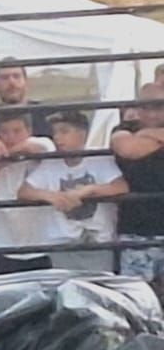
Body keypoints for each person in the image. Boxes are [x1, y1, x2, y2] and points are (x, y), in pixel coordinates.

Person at [18, 109, 127, 273]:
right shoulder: (50, 165)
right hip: (63, 243)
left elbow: (121, 187)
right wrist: (51, 196)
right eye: (55, 132)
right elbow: (24, 191)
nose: (58, 138)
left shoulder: (100, 160)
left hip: (98, 241)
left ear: (82, 134)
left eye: (64, 131)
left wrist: (89, 190)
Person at [111, 85, 164, 297]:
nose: (152, 113)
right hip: (136, 230)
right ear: (138, 108)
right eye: (146, 107)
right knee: (137, 298)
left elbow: (136, 147)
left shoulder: (135, 132)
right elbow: (128, 149)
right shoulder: (123, 128)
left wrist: (146, 135)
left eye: (159, 107)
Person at [0, 111, 56, 273]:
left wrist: (5, 157)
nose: (10, 137)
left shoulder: (42, 143)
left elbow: (33, 147)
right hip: (6, 244)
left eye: (17, 131)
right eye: (4, 132)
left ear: (29, 131)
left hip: (42, 244)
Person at [0, 59, 53, 138]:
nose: (11, 82)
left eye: (16, 76)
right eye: (4, 78)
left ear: (26, 82)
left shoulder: (44, 113)